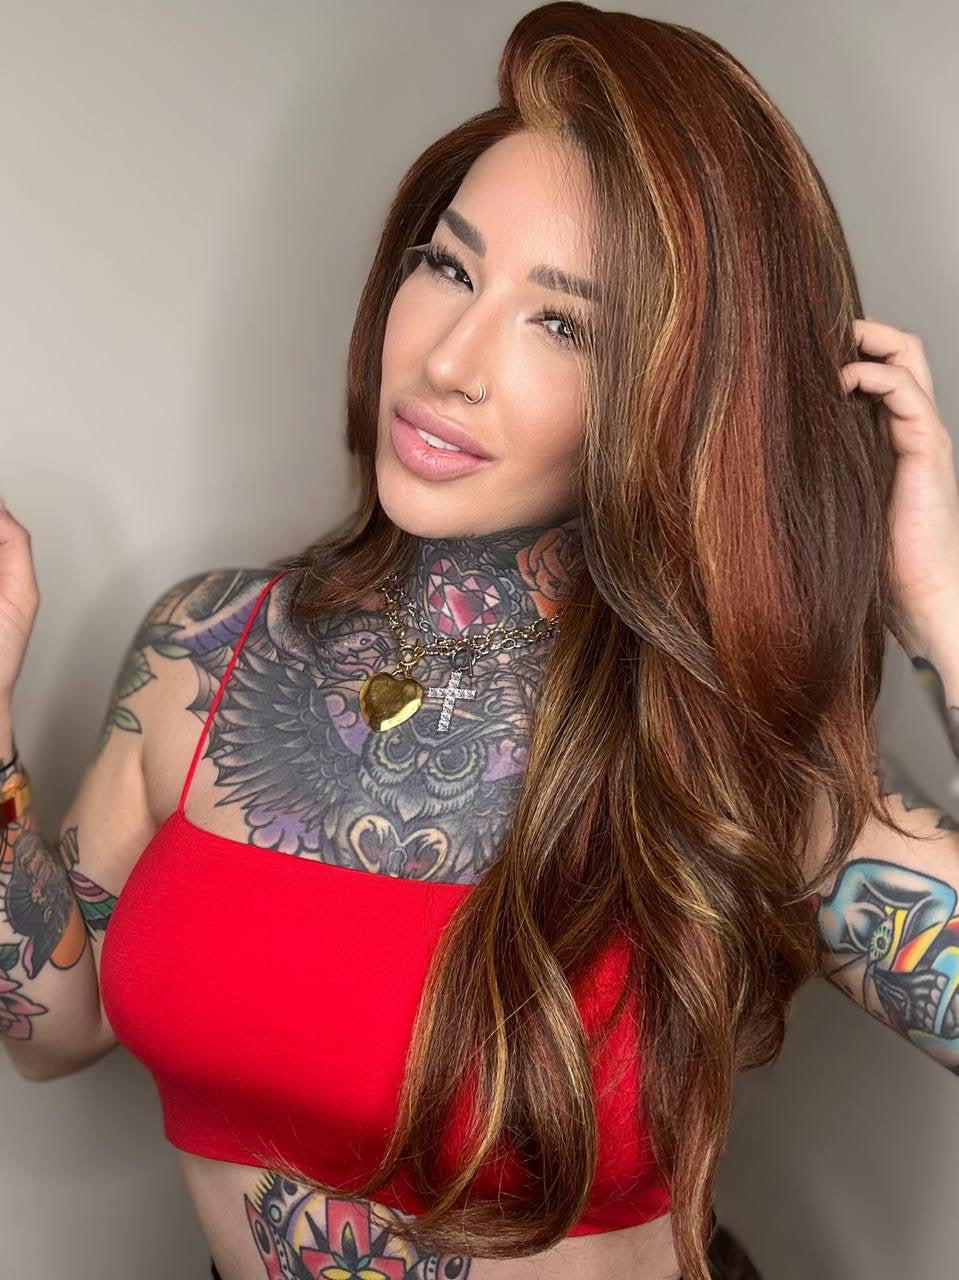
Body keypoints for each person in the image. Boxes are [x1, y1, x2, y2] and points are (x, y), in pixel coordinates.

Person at [2, 4, 955, 1278]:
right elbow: (55, 1026)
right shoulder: (206, 646)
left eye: (562, 324)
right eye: (449, 269)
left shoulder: (712, 731)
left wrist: (938, 607)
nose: (448, 360)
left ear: (672, 396)